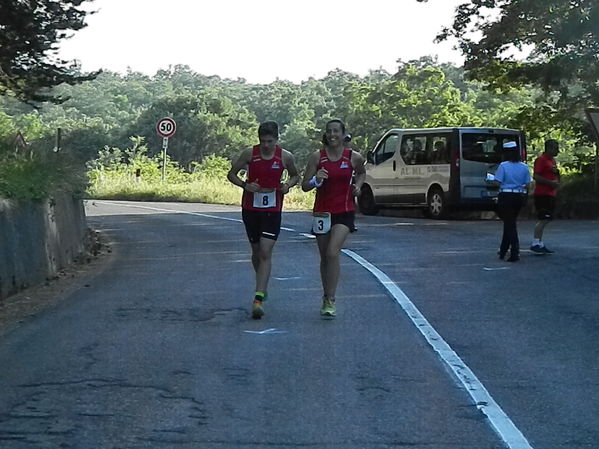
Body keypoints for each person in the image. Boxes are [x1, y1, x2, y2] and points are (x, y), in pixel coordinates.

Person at [227, 121, 300, 319]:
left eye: (270, 141)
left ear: (276, 139)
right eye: (263, 141)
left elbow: (295, 176)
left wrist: (287, 186)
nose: (266, 145)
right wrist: (245, 185)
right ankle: (262, 282)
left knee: (266, 251)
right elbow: (231, 174)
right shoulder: (249, 154)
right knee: (257, 252)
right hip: (251, 208)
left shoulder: (285, 156)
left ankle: (258, 297)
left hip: (273, 208)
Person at [301, 119, 366, 318]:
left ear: (343, 133)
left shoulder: (353, 157)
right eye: (329, 131)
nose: (332, 135)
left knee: (332, 252)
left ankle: (332, 299)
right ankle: (326, 296)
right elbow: (305, 185)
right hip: (322, 212)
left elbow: (362, 173)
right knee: (324, 257)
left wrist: (358, 186)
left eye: (336, 131)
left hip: (344, 211)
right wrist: (316, 179)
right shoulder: (317, 157)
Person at [489, 141, 532, 262]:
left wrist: (490, 180)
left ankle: (515, 251)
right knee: (510, 222)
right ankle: (503, 250)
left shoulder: (503, 165)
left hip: (506, 195)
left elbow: (498, 182)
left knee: (509, 224)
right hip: (518, 196)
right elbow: (528, 184)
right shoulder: (524, 166)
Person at [530, 139, 560, 254]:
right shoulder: (541, 160)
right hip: (542, 194)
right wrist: (550, 183)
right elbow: (536, 176)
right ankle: (535, 242)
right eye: (556, 148)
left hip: (551, 194)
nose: (558, 151)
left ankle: (540, 243)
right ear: (549, 148)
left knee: (547, 218)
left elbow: (554, 175)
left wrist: (556, 180)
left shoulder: (552, 161)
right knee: (543, 218)